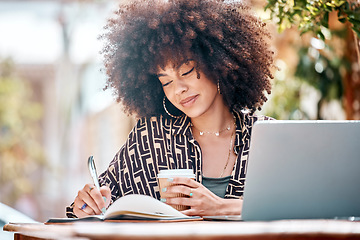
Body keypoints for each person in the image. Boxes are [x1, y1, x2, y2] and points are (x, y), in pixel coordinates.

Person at [66, 0, 275, 218]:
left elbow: (306, 208)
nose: (179, 90)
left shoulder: (268, 137)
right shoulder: (150, 139)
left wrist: (222, 207)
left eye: (186, 71)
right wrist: (84, 205)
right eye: (166, 82)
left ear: (219, 63)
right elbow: (95, 206)